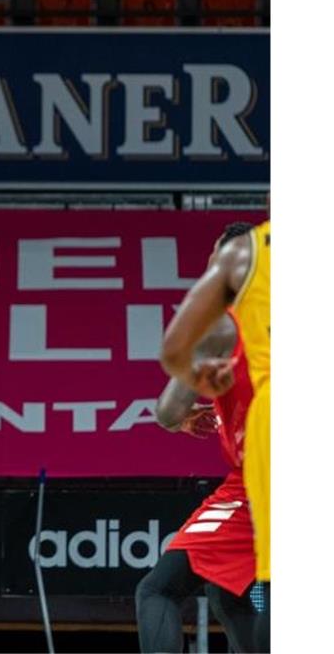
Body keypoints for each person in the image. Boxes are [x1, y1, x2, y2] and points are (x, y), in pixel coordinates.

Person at [137, 223, 259, 653]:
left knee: (158, 590)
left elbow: (167, 411)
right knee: (229, 592)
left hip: (258, 488)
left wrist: (184, 417)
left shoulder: (224, 327)